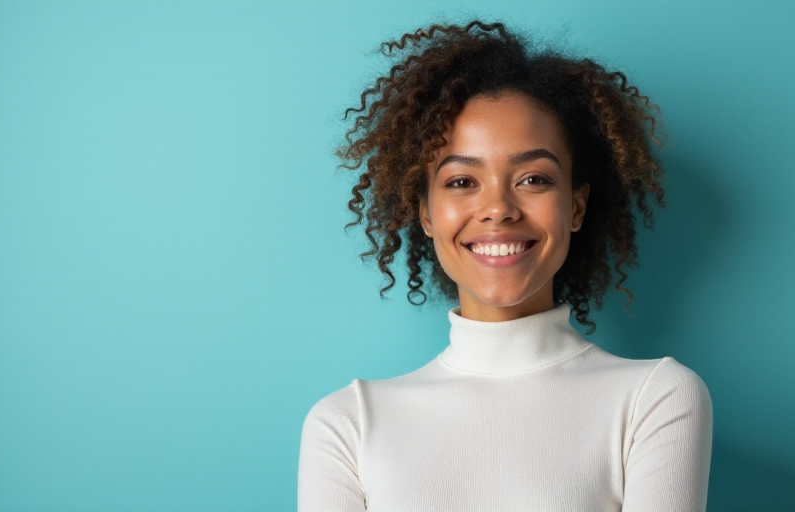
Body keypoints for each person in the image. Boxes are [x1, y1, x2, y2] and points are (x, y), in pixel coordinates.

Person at [298, 20, 713, 512]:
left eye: (533, 178)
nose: (498, 208)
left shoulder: (654, 400)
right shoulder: (349, 424)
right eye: (460, 182)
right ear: (426, 213)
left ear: (576, 207)